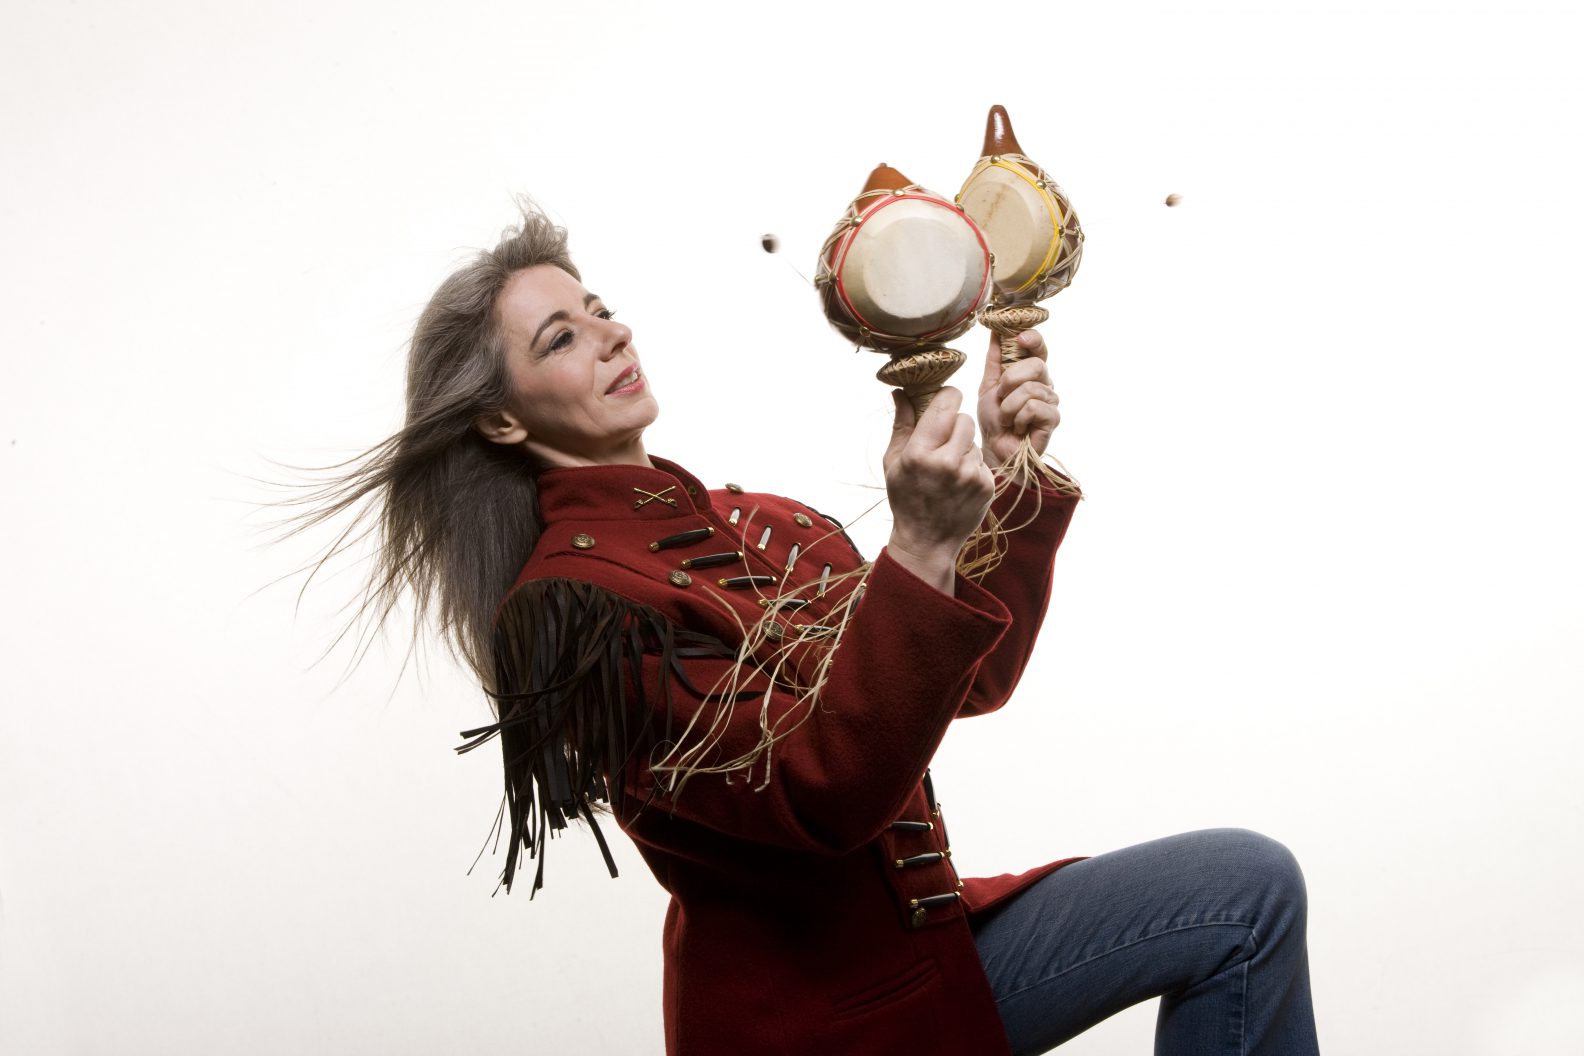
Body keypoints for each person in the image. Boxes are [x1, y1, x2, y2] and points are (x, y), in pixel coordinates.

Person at [295, 202, 1319, 1055]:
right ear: (503, 420)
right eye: (560, 336)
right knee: (1243, 894)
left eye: (599, 308)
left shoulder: (755, 520)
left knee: (1243, 890)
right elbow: (824, 792)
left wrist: (1007, 476)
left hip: (926, 959)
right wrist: (916, 547)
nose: (611, 333)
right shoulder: (571, 613)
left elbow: (970, 677)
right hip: (817, 1030)